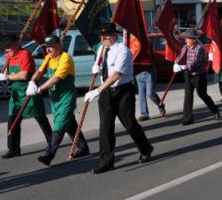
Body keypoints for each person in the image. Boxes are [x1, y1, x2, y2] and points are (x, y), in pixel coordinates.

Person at [84, 23, 154, 174]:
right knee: (105, 128)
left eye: (106, 36)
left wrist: (97, 90)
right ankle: (106, 162)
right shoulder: (101, 49)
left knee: (129, 124)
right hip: (106, 93)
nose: (103, 39)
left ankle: (146, 148)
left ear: (114, 35)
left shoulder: (123, 50)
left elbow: (116, 74)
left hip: (123, 91)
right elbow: (101, 65)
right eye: (101, 36)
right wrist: (96, 67)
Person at [27, 34, 90, 166]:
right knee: (69, 124)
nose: (48, 49)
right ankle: (83, 148)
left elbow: (56, 78)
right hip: (55, 99)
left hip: (66, 97)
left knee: (59, 125)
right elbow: (40, 71)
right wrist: (32, 82)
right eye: (46, 47)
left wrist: (39, 89)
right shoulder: (48, 58)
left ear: (59, 45)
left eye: (51, 47)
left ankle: (48, 154)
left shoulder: (65, 58)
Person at [0, 34, 51, 159]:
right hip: (16, 94)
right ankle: (13, 149)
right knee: (13, 120)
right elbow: (5, 72)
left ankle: (52, 142)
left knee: (40, 119)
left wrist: (6, 77)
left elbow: (24, 75)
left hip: (29, 90)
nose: (6, 51)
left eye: (8, 48)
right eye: (5, 48)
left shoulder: (25, 54)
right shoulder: (9, 56)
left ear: (15, 45)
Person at [173, 28, 221, 125]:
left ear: (193, 39)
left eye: (187, 38)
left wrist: (183, 67)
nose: (185, 39)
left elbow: (197, 63)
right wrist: (176, 63)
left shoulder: (200, 48)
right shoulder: (186, 46)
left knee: (202, 94)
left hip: (199, 75)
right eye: (185, 38)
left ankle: (215, 110)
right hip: (188, 75)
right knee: (188, 96)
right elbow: (180, 57)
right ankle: (187, 118)